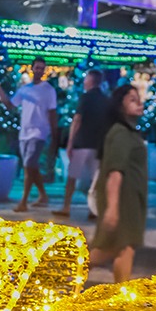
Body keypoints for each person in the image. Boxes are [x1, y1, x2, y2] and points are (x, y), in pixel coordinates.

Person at [89, 84, 148, 283]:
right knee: (118, 248)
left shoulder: (128, 132)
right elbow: (115, 172)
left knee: (120, 247)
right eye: (132, 100)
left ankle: (120, 295)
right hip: (123, 199)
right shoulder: (121, 133)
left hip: (129, 199)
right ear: (120, 107)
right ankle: (70, 274)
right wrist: (112, 208)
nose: (139, 103)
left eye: (138, 98)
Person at [0, 56, 58, 212]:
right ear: (32, 68)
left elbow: (53, 112)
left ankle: (23, 201)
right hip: (24, 133)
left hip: (39, 133)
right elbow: (10, 104)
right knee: (31, 166)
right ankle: (43, 195)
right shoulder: (25, 90)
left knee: (29, 165)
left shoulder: (49, 90)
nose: (39, 71)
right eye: (37, 67)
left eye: (42, 68)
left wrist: (54, 134)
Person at [56, 68, 108, 218]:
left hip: (82, 142)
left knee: (72, 177)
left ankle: (66, 207)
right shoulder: (105, 99)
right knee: (94, 180)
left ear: (90, 81)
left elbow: (77, 120)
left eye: (86, 79)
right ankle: (93, 210)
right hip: (97, 145)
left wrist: (70, 142)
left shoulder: (85, 98)